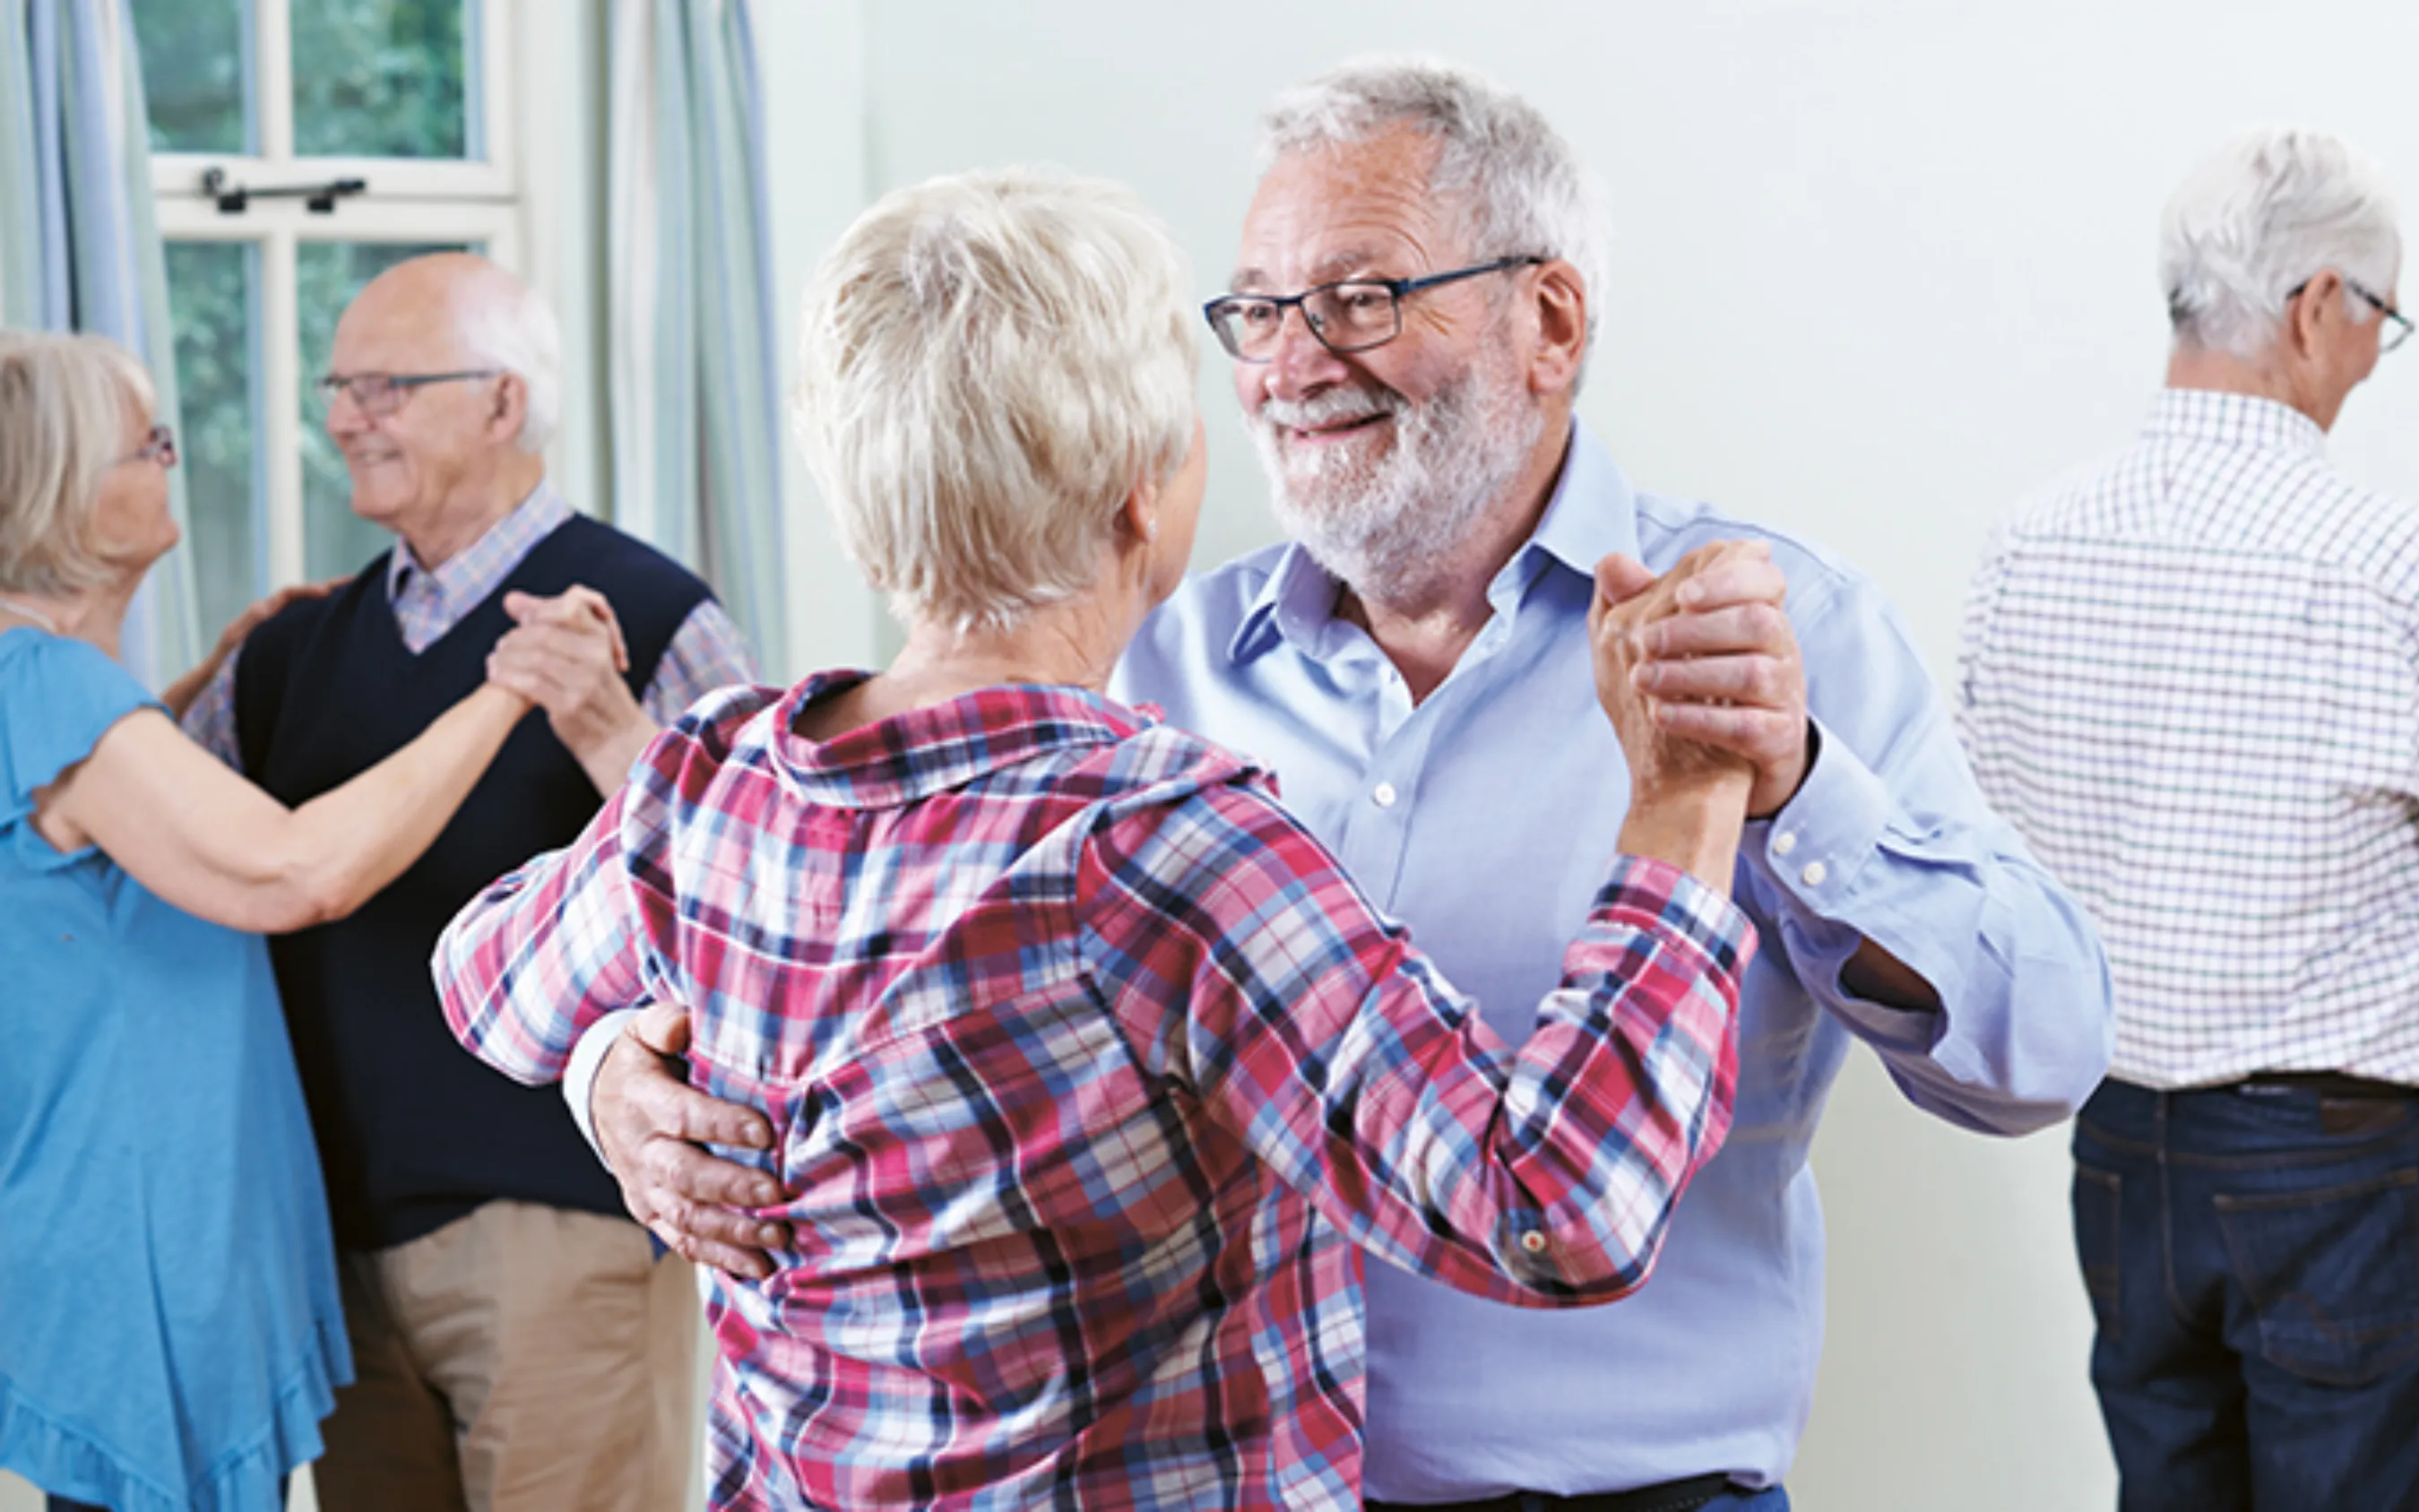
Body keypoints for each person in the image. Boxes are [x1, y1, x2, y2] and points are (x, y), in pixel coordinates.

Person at [576, 56, 2115, 1511]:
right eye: (1257, 310)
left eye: (1361, 297)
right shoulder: (1139, 666)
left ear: (1552, 320)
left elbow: (2038, 1051)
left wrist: (1793, 790)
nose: (1292, 363)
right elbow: (814, 961)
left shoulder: (1767, 639)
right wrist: (621, 1081)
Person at [435, 168, 1762, 1509]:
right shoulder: (1166, 852)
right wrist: (1684, 806)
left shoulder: (710, 784)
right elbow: (1554, 1209)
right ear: (1142, 492)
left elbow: (483, 974)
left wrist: (607, 1065)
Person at [1958, 133, 2419, 1511]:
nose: (2368, 360)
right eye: (2379, 324)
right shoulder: (2396, 567)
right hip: (2338, 1177)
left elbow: (1992, 845)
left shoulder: (2026, 543)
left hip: (2120, 1152)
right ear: (2315, 308)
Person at [173, 255, 759, 1512]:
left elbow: (756, 891)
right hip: (331, 1238)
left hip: (562, 1231)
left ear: (503, 404)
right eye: (338, 386)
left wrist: (605, 723)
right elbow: (155, 839)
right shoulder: (286, 647)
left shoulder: (657, 617)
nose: (342, 416)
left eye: (384, 384)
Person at [0, 331, 568, 1509]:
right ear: (59, 484)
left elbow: (84, 833)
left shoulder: (49, 692)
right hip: (138, 1236)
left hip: (124, 1219)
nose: (170, 461)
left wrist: (198, 679)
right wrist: (507, 690)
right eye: (148, 442)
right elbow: (297, 870)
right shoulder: (47, 682)